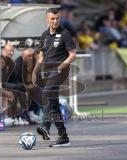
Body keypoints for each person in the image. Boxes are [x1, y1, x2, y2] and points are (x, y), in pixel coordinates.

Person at [32, 8, 76, 147]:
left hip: (60, 71)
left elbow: (73, 54)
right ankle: (63, 137)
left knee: (46, 94)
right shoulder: (44, 35)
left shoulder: (65, 34)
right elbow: (41, 57)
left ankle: (45, 126)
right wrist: (34, 72)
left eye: (57, 18)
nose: (55, 21)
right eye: (52, 18)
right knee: (53, 105)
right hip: (48, 72)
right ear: (47, 19)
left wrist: (60, 67)